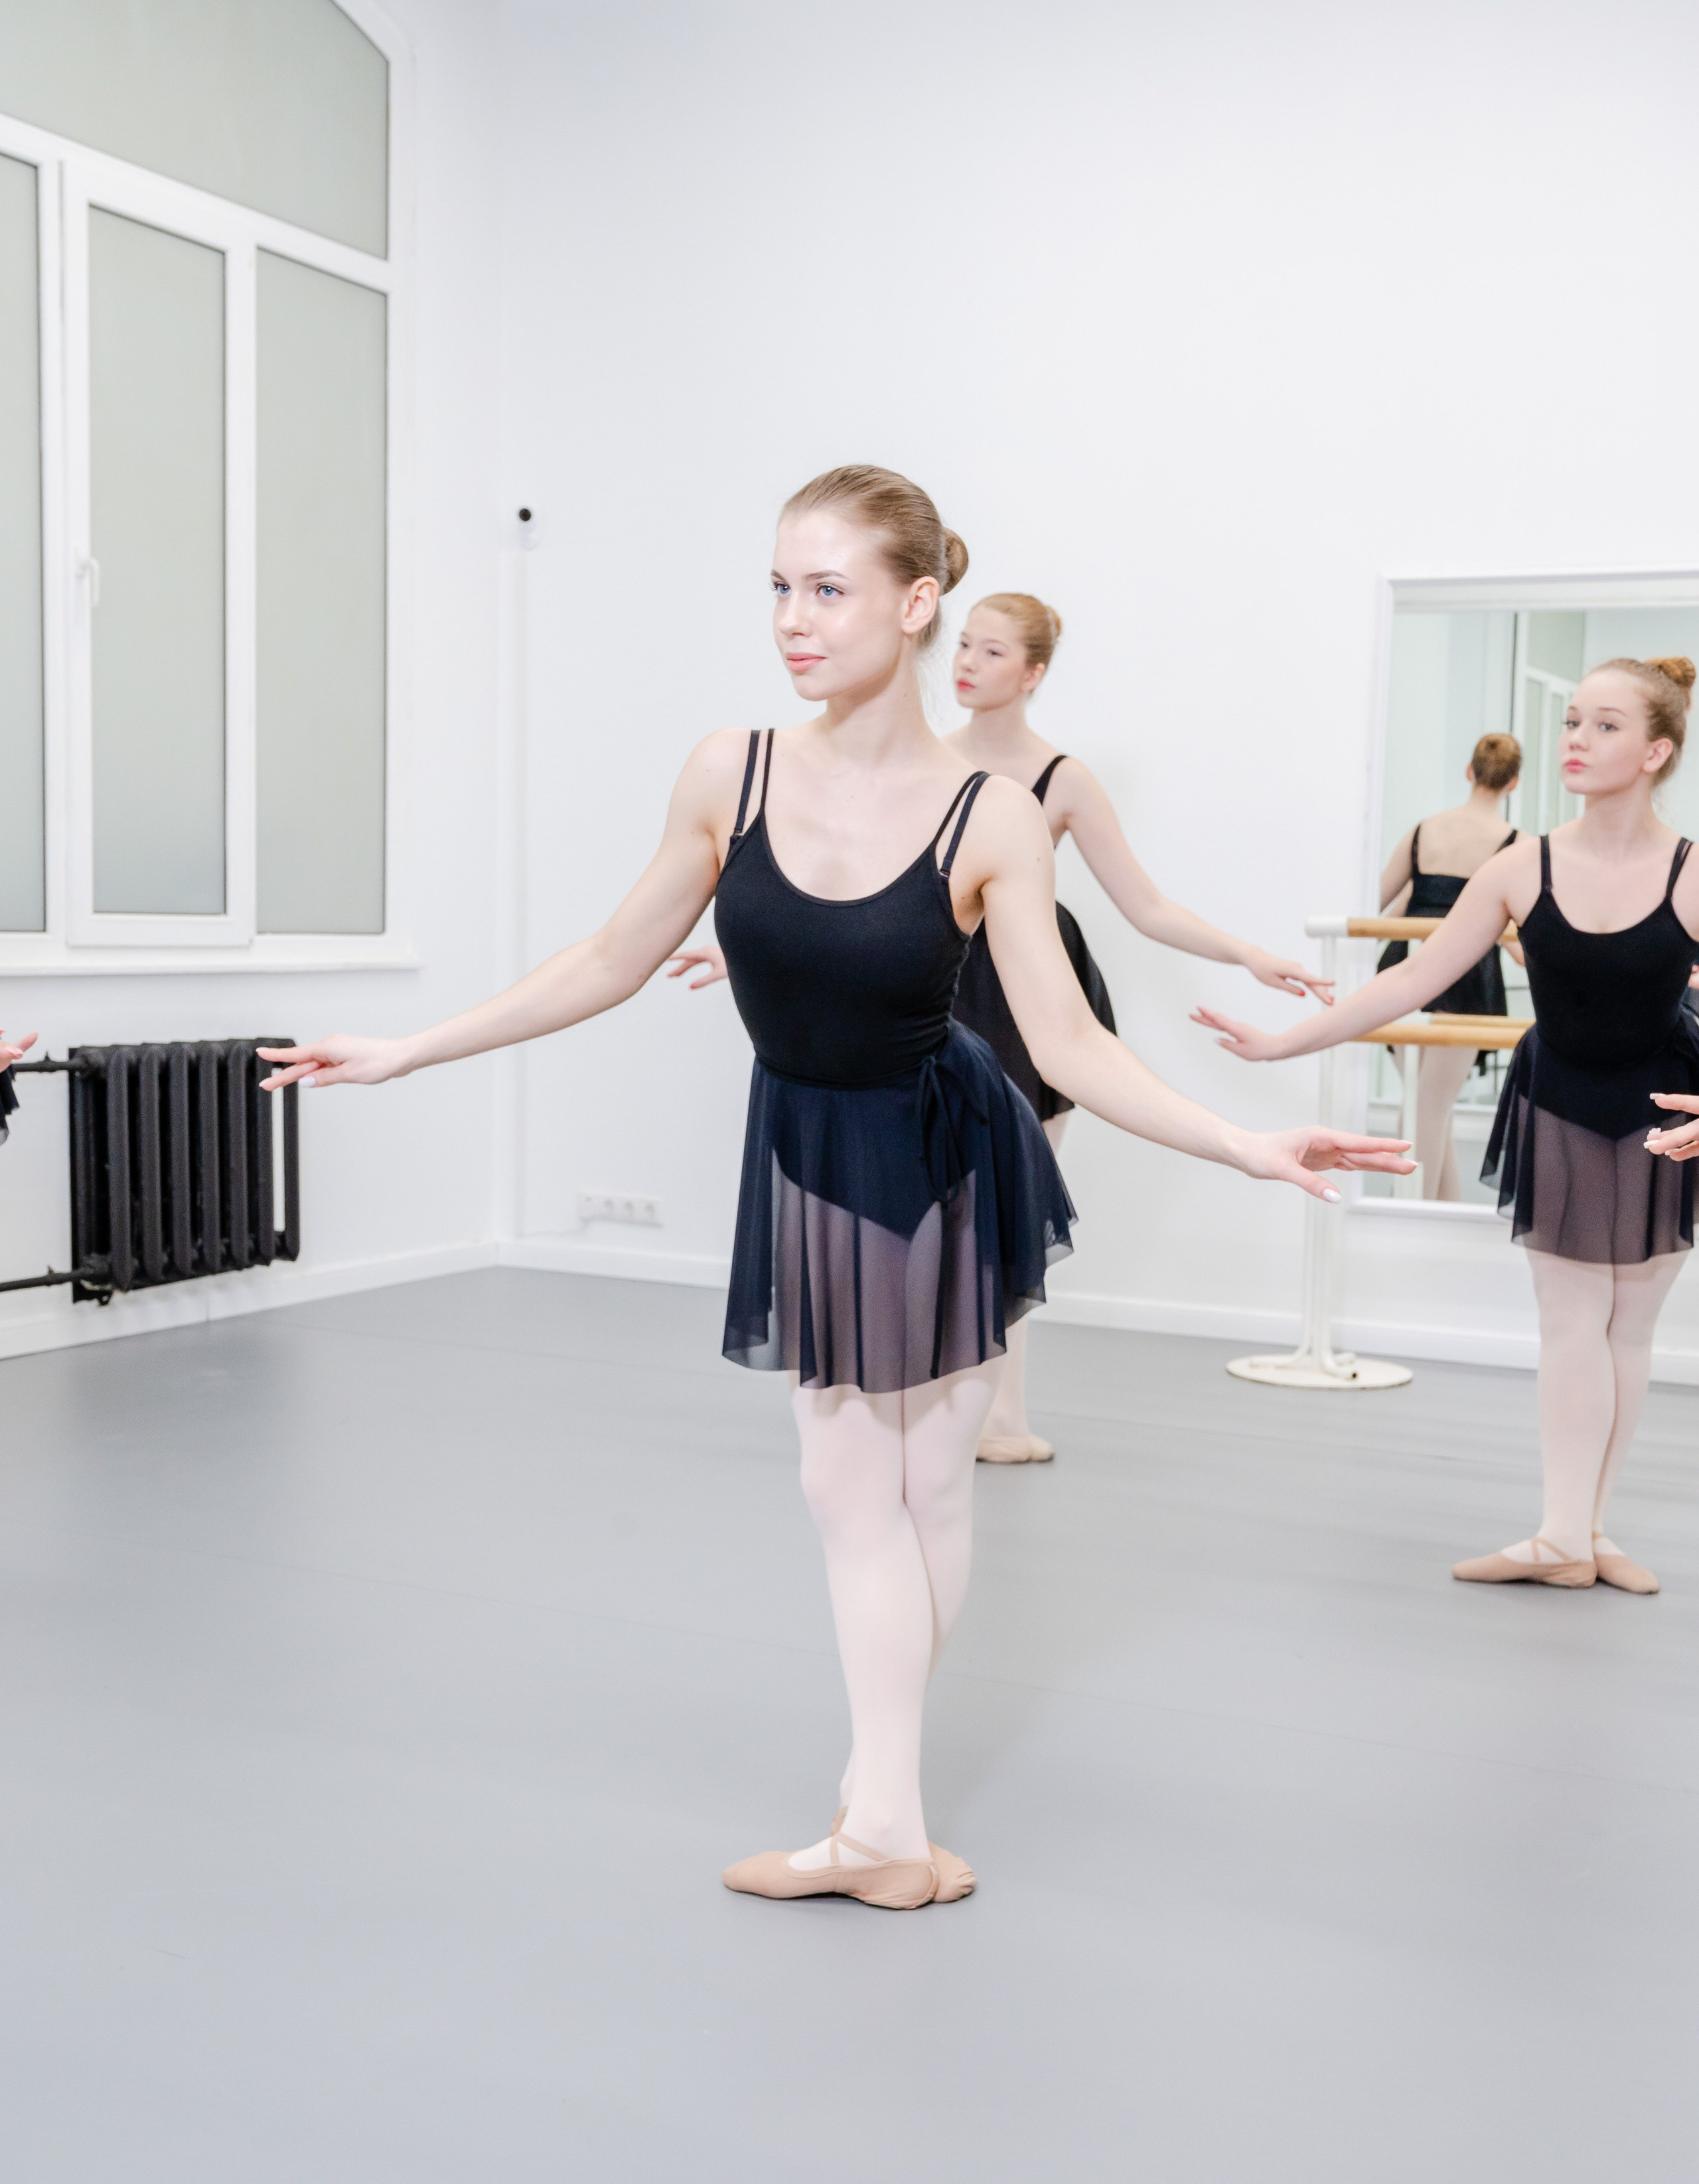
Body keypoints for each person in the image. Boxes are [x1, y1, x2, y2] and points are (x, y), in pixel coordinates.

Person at [261, 463, 1408, 1909]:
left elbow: (1065, 1042)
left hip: (936, 1145)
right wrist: (413, 1047)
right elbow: (609, 958)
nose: (791, 622)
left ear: (916, 604)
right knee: (904, 1485)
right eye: (778, 589)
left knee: (868, 1479)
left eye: (827, 590)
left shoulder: (987, 815)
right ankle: (886, 1811)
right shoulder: (726, 772)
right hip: (806, 1142)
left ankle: (882, 1824)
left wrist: (1243, 1143)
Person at [672, 589, 1333, 1464]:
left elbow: (1146, 904)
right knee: (917, 1221)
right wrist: (753, 951)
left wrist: (1247, 953)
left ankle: (1000, 1414)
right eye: (966, 647)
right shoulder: (917, 762)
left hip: (1032, 1001)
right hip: (932, 988)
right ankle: (925, 1403)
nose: (967, 665)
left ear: (1034, 674)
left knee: (997, 1217)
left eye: (990, 653)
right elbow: (844, 889)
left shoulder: (1060, 782)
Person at [1193, 655, 1699, 1595]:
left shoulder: (1689, 872)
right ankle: (1559, 1534)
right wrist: (1280, 1046)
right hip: (1559, 1103)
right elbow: (1409, 982)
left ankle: (1587, 1530)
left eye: (1605, 726)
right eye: (1574, 721)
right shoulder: (1522, 866)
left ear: (1658, 749)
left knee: (1631, 1331)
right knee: (1572, 1320)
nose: (1576, 740)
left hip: (1665, 1109)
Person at [1376, 734, 1525, 1200]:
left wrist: (1419, 902)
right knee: (1431, 1105)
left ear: (1469, 771)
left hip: (1407, 965)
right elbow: (1527, 933)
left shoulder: (1424, 832)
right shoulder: (1518, 846)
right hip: (1466, 974)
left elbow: (1377, 906)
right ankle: (1415, 1219)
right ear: (1513, 783)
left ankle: (1436, 1213)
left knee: (1427, 1103)